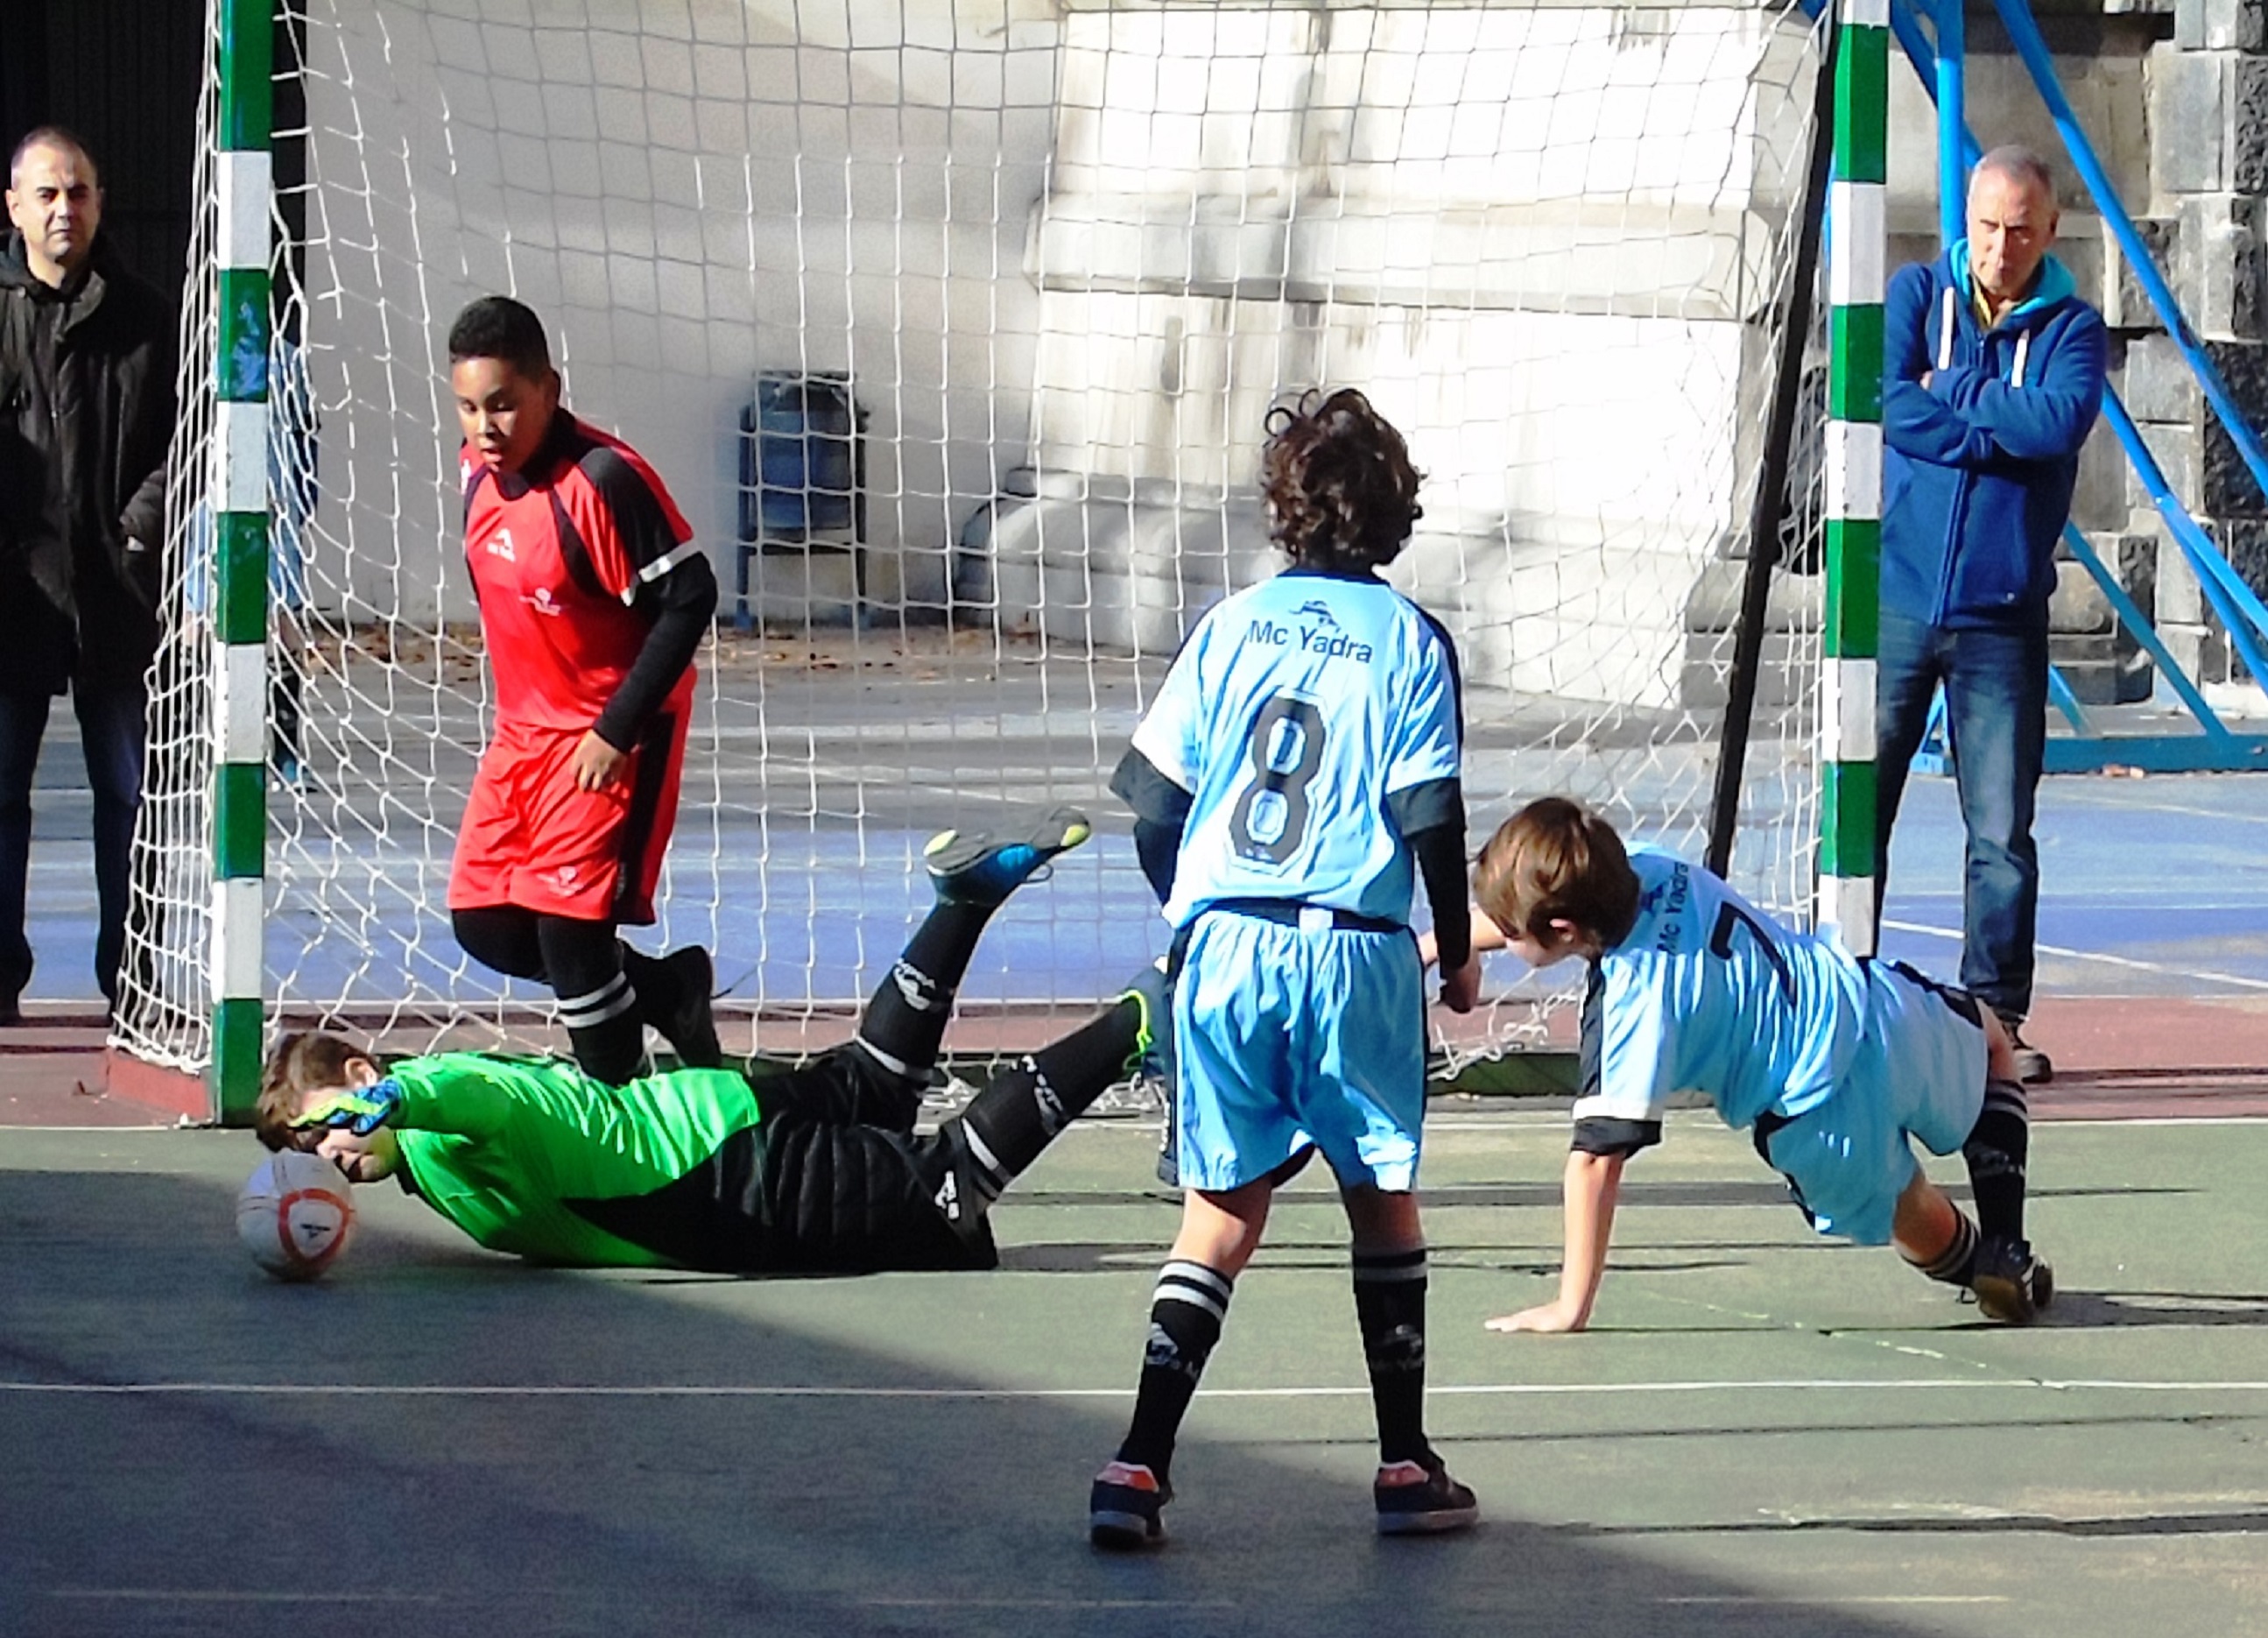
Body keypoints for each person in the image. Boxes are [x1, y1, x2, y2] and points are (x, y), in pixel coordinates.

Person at [1090, 388, 1483, 1550]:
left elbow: (1154, 804)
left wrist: (1193, 913)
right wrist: (1456, 950)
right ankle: (1404, 1461)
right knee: (1379, 1196)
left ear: (1285, 507)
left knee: (1219, 1214)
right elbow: (1430, 812)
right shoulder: (1409, 639)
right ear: (1398, 512)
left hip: (1224, 943)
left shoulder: (1231, 625)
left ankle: (1136, 1463)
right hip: (1351, 950)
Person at [259, 809, 1136, 1274]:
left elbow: (483, 1098)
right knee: (874, 1085)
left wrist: (401, 1097)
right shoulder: (420, 1166)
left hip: (723, 1177)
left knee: (950, 1185)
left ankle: (1142, 1018)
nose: (328, 1154)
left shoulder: (431, 1115)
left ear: (363, 1073)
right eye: (310, 1148)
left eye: (324, 1125)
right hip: (703, 1114)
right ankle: (961, 901)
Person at [1462, 796, 2051, 1339]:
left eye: (1509, 933)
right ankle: (2007, 1243)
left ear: (1564, 931)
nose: (1502, 937)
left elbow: (1595, 1161)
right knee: (1992, 1043)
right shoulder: (1650, 867)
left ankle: (1982, 1266)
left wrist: (1570, 1305)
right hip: (1873, 1013)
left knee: (1914, 1212)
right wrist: (1438, 943)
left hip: (1814, 1119)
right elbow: (1539, 903)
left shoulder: (1631, 1005)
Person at [443, 295, 722, 1081]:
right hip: (520, 738)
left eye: (503, 404)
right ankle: (669, 991)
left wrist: (615, 728)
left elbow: (692, 595)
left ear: (549, 390)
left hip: (604, 742)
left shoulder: (604, 481)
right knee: (485, 924)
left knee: (571, 936)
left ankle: (617, 1106)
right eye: (468, 407)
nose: (486, 427)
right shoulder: (476, 473)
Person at [1878, 145, 2109, 1086]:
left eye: (2019, 229)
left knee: (2001, 835)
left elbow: (2057, 425)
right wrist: (1993, 423)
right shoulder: (1915, 294)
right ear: (1963, 221)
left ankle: (1994, 1021)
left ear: (2049, 231)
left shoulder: (2074, 328)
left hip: (2001, 616)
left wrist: (1959, 397)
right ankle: (1836, 992)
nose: (2000, 246)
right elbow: (1888, 403)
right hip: (1895, 600)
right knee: (1860, 809)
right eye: (1986, 225)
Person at [0, 127, 174, 1021]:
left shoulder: (145, 316)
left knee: (128, 794)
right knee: (2, 794)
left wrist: (138, 532)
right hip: (13, 600)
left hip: (117, 597)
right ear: (14, 207)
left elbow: (182, 445)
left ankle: (132, 977)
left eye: (78, 191)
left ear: (100, 202)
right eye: (46, 193)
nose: (63, 208)